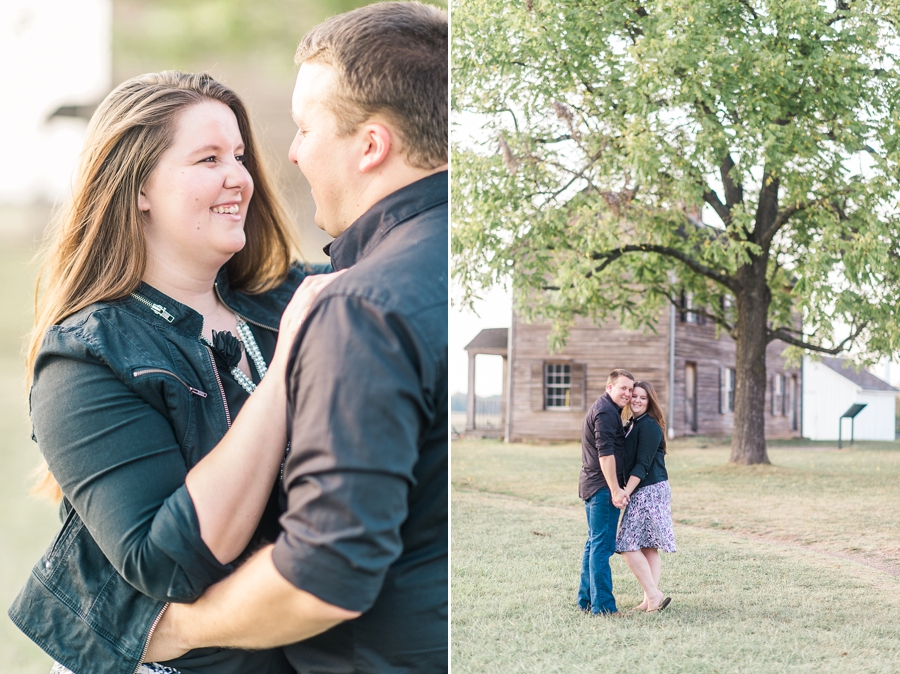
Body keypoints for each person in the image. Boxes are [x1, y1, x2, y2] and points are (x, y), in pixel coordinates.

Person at [143, 3, 449, 672]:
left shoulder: (364, 306)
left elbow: (324, 574)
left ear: (370, 146)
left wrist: (176, 632)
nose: (288, 152)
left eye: (306, 128)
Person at [8, 70, 340, 674]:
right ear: (137, 187)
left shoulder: (285, 296)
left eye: (238, 155)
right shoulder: (85, 357)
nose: (239, 177)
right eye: (208, 158)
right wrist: (290, 361)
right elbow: (169, 566)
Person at [576, 368, 634, 616]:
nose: (628, 394)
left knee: (594, 544)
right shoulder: (605, 412)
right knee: (601, 546)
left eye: (631, 389)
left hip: (592, 484)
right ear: (609, 387)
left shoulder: (607, 409)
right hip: (601, 488)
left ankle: (586, 601)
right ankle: (604, 608)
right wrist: (616, 490)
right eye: (623, 388)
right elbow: (606, 454)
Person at [616, 380, 676, 613]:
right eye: (635, 396)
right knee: (648, 546)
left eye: (643, 397)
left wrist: (624, 493)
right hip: (645, 488)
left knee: (628, 544)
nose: (638, 400)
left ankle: (654, 593)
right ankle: (649, 600)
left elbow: (642, 465)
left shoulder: (649, 425)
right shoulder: (632, 423)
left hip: (650, 490)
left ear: (650, 401)